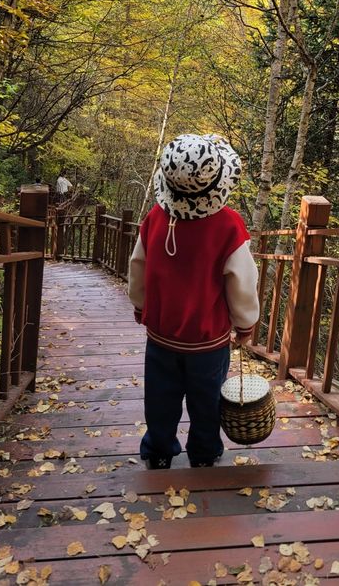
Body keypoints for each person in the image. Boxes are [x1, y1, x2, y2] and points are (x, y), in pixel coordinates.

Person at [128, 133, 259, 470]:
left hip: (161, 333)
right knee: (207, 400)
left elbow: (138, 266)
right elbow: (241, 282)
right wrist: (245, 323)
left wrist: (141, 304)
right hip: (208, 339)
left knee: (160, 398)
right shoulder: (228, 225)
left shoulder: (155, 218)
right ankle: (203, 452)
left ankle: (158, 449)